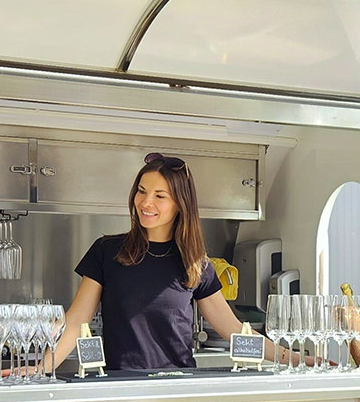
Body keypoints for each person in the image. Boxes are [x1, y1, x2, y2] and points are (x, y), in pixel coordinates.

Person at [47, 153, 301, 372]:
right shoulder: (106, 251)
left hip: (179, 385)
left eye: (160, 196)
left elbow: (234, 331)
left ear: (180, 203)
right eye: (142, 191)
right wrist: (40, 369)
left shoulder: (196, 264)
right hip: (122, 384)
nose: (146, 203)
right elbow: (75, 321)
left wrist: (294, 359)